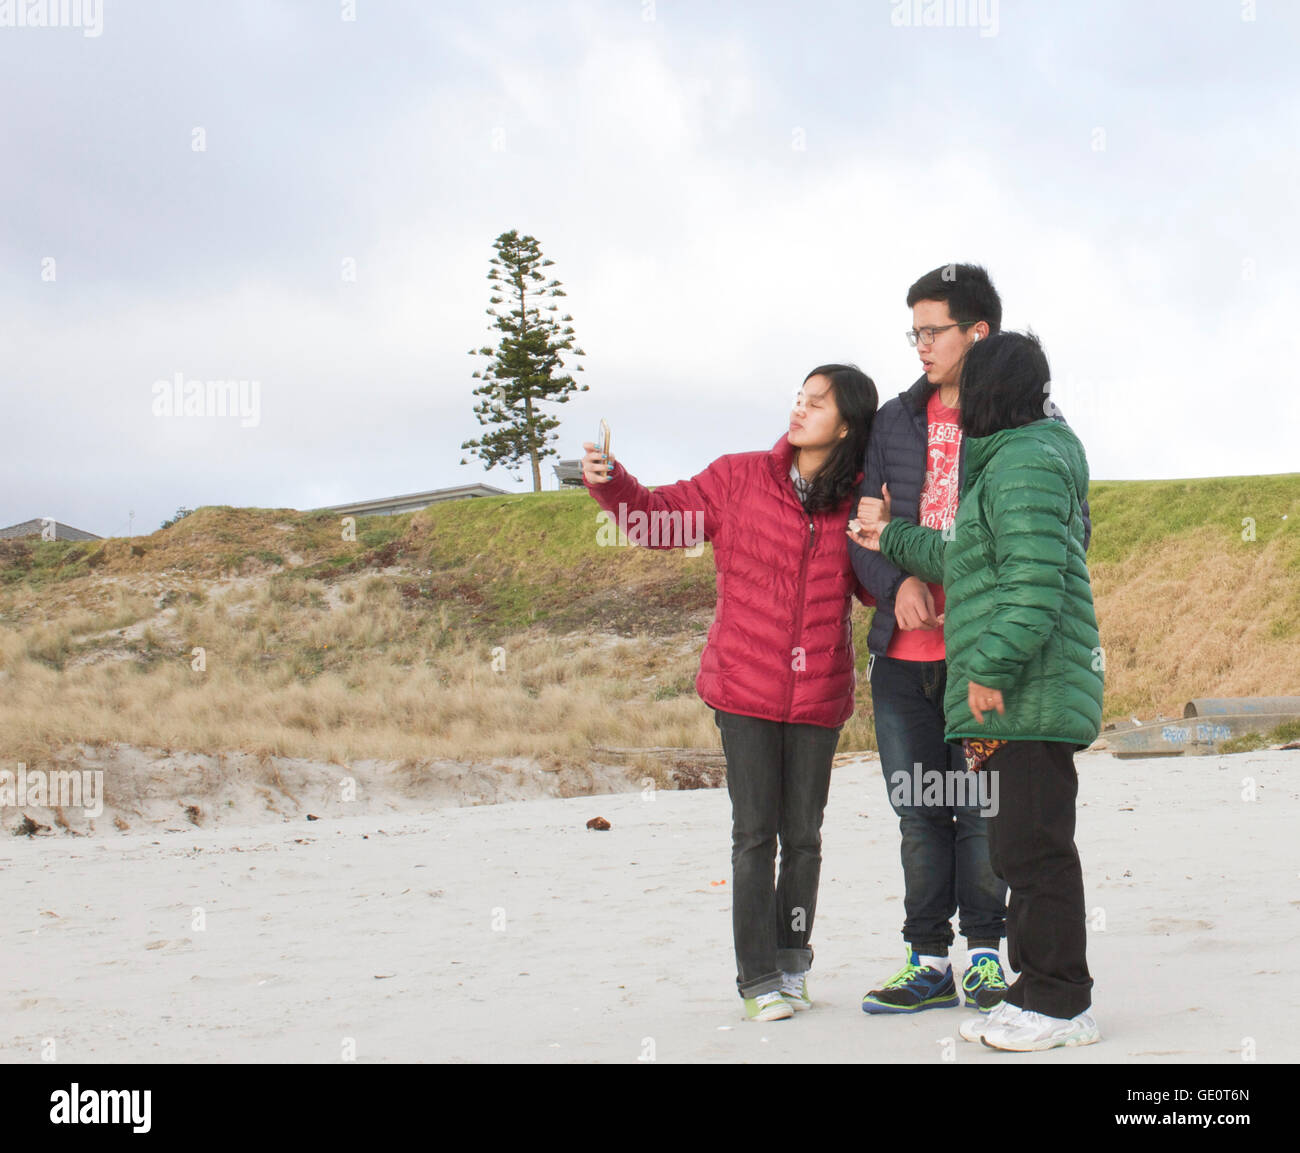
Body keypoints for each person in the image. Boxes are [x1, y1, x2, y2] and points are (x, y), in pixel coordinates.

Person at [582, 365, 878, 1022]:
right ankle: (759, 980)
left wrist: (889, 535)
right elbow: (659, 521)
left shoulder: (859, 501)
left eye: (818, 403)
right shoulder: (739, 476)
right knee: (755, 835)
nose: (800, 410)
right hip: (743, 688)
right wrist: (613, 483)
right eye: (798, 398)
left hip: (820, 694)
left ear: (848, 423)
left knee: (805, 836)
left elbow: (877, 586)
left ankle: (793, 958)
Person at [849, 330, 1104, 1051]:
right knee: (1019, 850)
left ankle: (1061, 1004)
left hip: (1025, 694)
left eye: (964, 387)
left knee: (1036, 849)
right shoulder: (1007, 462)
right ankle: (1032, 992)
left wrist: (989, 666)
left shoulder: (1025, 461)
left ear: (990, 390)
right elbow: (964, 557)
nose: (952, 402)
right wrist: (889, 537)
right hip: (1011, 697)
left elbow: (1032, 586)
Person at [847, 264, 1013, 1014]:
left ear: (978, 331)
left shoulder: (1018, 416)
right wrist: (895, 583)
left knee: (981, 810)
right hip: (901, 660)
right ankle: (927, 961)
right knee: (919, 812)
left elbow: (1048, 531)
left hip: (977, 657)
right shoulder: (893, 418)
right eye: (913, 331)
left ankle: (984, 957)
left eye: (933, 330)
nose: (920, 344)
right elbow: (861, 527)